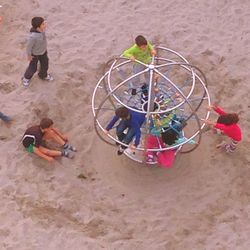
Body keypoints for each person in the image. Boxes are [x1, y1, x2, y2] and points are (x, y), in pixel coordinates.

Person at [22, 17, 53, 86]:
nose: (45, 25)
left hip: (43, 52)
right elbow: (28, 47)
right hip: (35, 54)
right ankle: (26, 78)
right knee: (33, 67)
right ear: (38, 27)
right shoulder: (33, 37)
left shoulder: (42, 31)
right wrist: (29, 55)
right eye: (43, 24)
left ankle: (42, 75)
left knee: (45, 64)